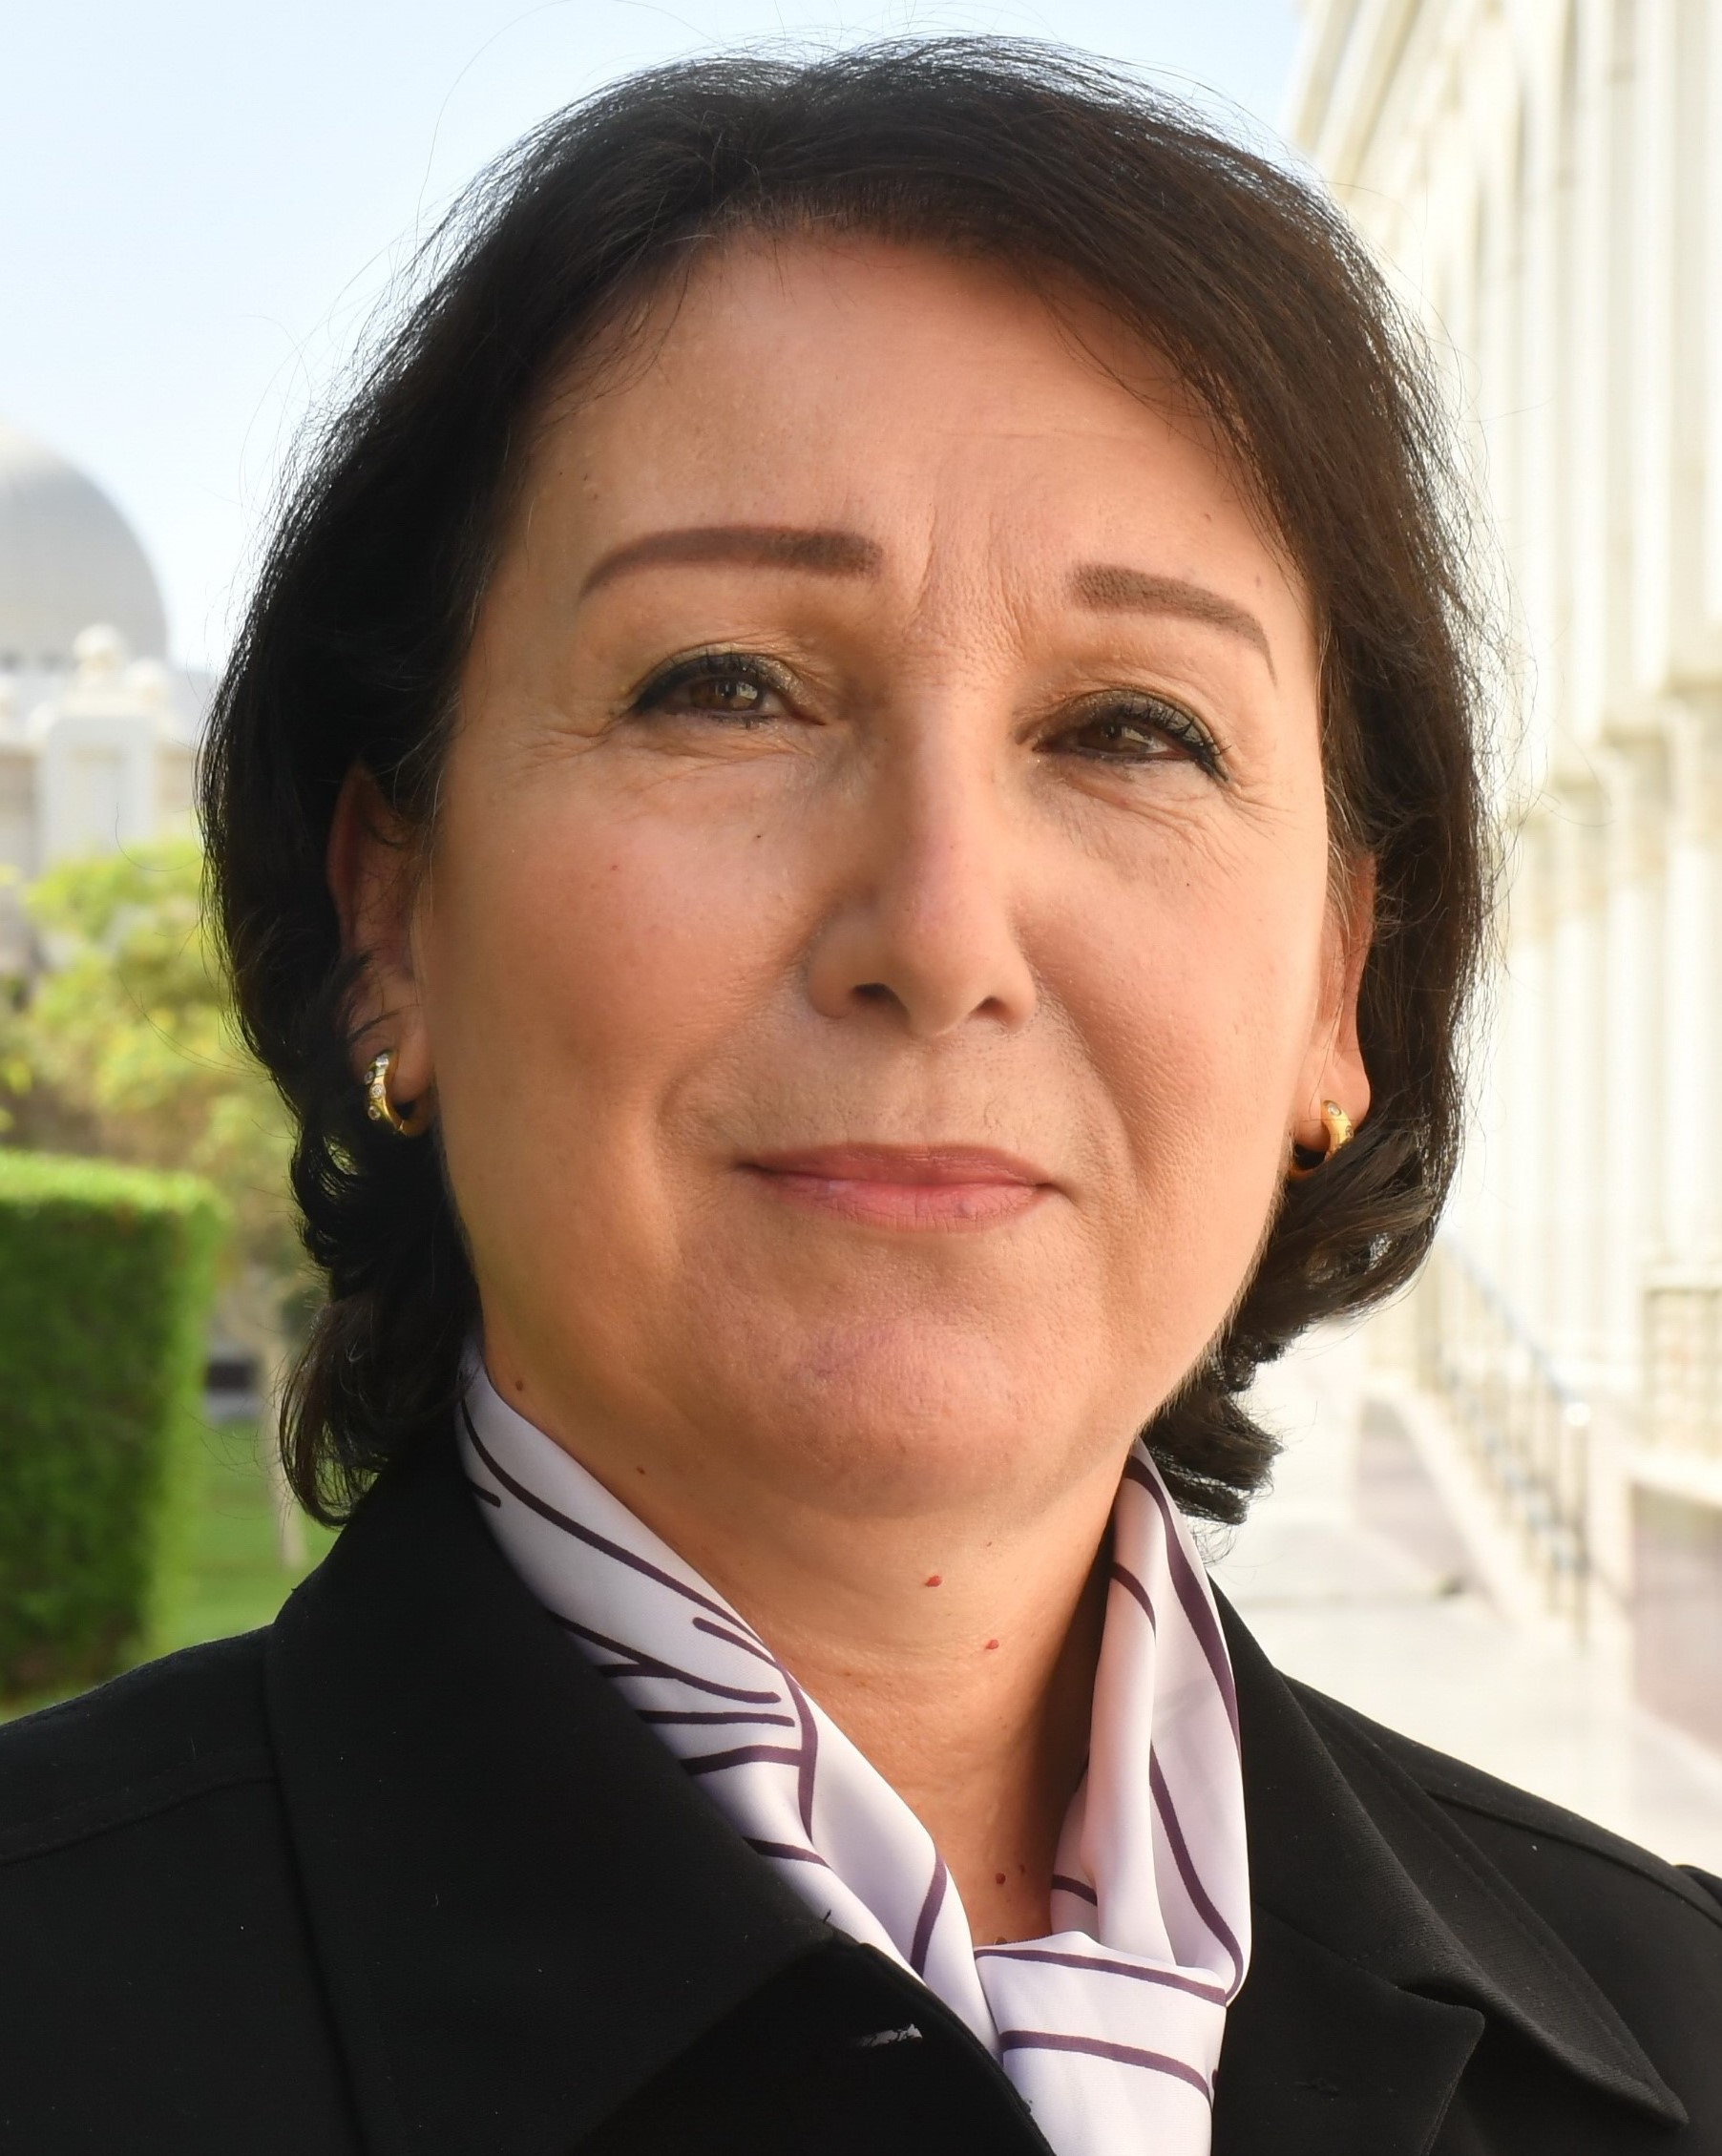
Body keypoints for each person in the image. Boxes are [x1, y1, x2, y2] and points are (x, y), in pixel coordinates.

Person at [1, 40, 1717, 2156]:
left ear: (1333, 983)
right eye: (724, 688)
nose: (941, 927)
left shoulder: (1678, 2031)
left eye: (1130, 727)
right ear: (393, 913)